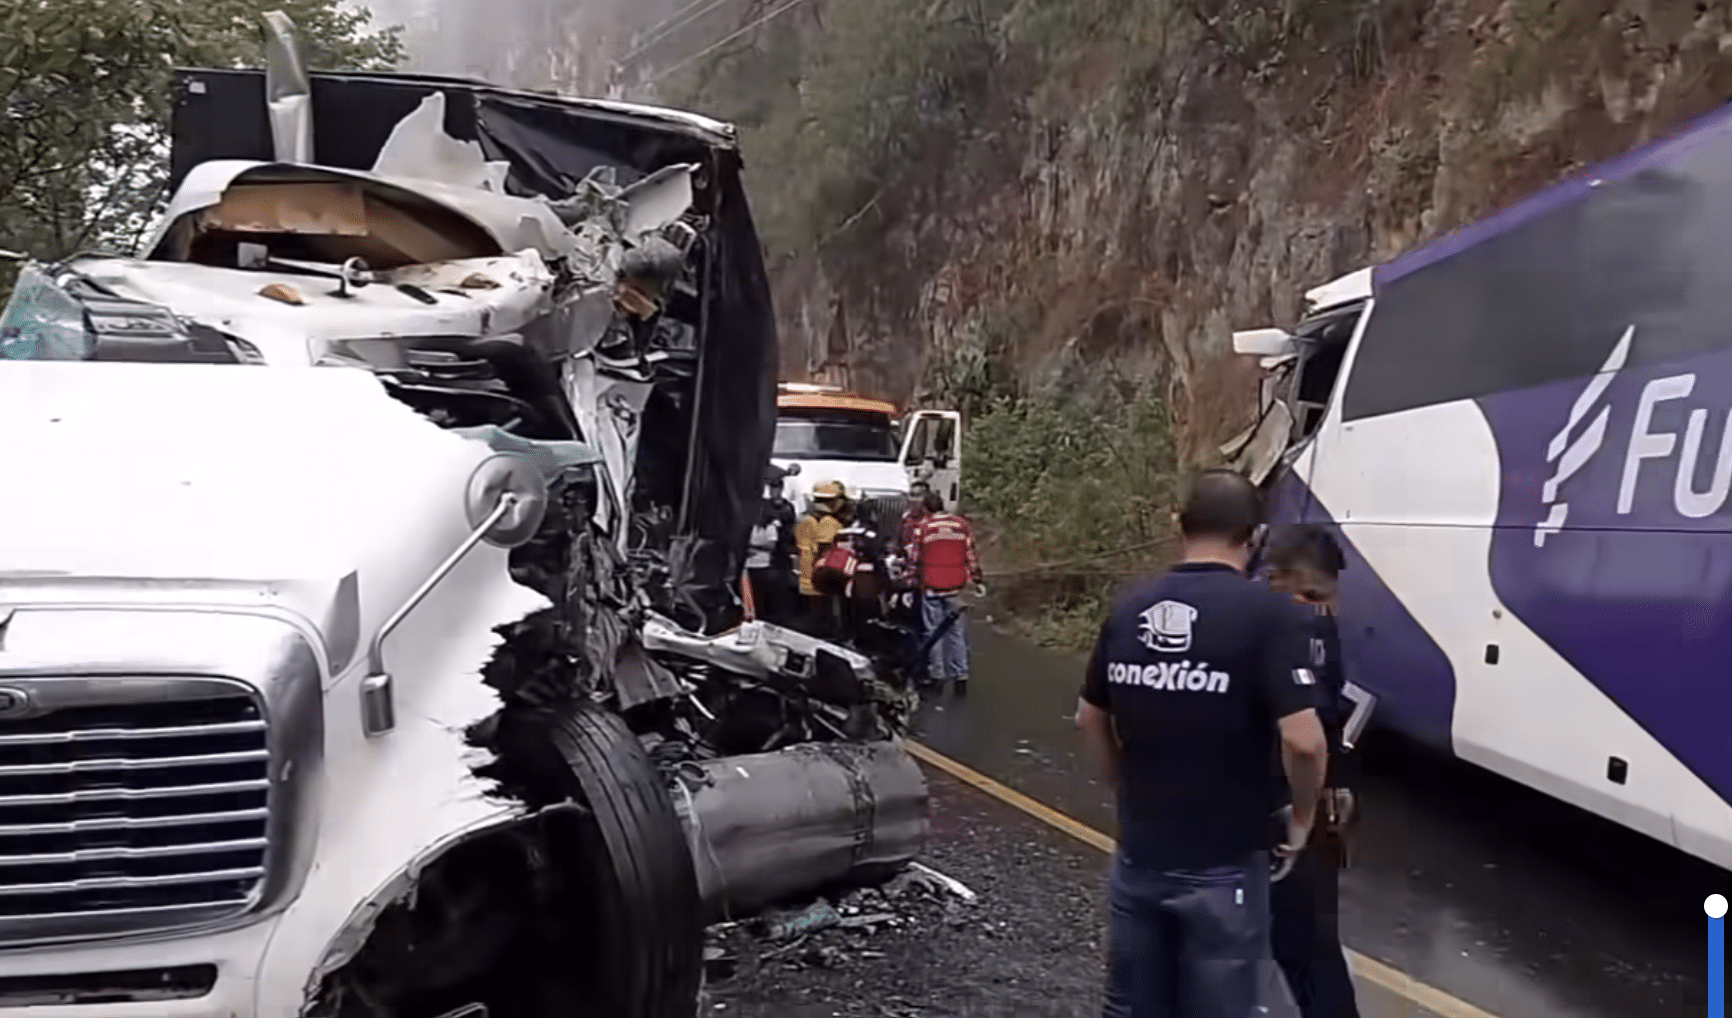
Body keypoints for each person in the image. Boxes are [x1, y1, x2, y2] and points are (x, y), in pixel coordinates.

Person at [1076, 468, 1330, 1018]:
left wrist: (1123, 785)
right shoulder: (1269, 616)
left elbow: (1089, 716)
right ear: (1255, 537)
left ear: (1179, 526)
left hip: (1140, 855)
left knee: (1130, 1008)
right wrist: (1303, 818)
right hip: (1225, 864)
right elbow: (1305, 742)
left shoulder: (1129, 608)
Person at [1262, 524, 1362, 1018]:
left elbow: (1305, 736)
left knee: (1305, 950)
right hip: (1308, 804)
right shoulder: (1316, 627)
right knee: (1310, 950)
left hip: (1287, 809)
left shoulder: (1288, 627)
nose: (1325, 608)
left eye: (1324, 596)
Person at [908, 489, 982, 694]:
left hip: (932, 585)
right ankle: (961, 676)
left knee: (933, 631)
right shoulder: (961, 525)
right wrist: (976, 579)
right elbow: (970, 555)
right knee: (956, 632)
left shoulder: (923, 527)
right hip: (955, 586)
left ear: (925, 508)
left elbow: (915, 558)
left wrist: (910, 579)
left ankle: (937, 676)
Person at [745, 467, 798, 626]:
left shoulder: (780, 510)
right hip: (768, 562)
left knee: (771, 600)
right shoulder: (770, 509)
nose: (774, 490)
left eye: (776, 486)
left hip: (774, 560)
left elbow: (779, 537)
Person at [794, 480, 848, 636]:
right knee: (827, 619)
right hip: (823, 577)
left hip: (805, 574)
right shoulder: (829, 522)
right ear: (833, 501)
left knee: (813, 616)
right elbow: (825, 547)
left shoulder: (804, 519)